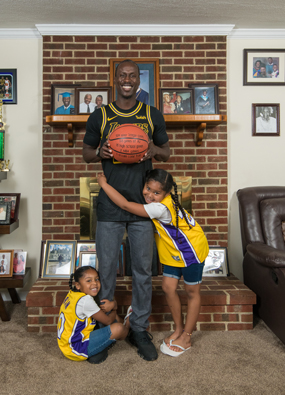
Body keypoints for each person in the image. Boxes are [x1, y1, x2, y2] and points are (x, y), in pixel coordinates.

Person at [82, 59, 170, 362]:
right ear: (115, 79)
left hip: (144, 207)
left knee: (142, 271)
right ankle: (103, 329)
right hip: (109, 206)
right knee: (105, 271)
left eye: (132, 76)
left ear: (138, 80)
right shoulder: (101, 115)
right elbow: (85, 154)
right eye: (123, 75)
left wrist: (153, 150)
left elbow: (166, 150)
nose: (127, 80)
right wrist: (100, 152)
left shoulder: (151, 114)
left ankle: (140, 329)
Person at [97, 168, 209, 358]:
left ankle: (187, 337)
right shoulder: (163, 202)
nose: (149, 195)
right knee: (167, 287)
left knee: (192, 292)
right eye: (147, 188)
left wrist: (103, 184)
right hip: (175, 254)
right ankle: (178, 329)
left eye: (156, 193)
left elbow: (124, 204)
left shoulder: (159, 207)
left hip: (191, 253)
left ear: (166, 194)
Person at [57, 266, 131, 364]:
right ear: (78, 285)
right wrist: (114, 306)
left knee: (107, 316)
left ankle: (118, 326)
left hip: (65, 345)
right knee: (119, 328)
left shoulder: (72, 294)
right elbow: (108, 320)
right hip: (76, 348)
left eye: (96, 279)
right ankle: (128, 325)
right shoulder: (86, 300)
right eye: (88, 281)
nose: (94, 283)